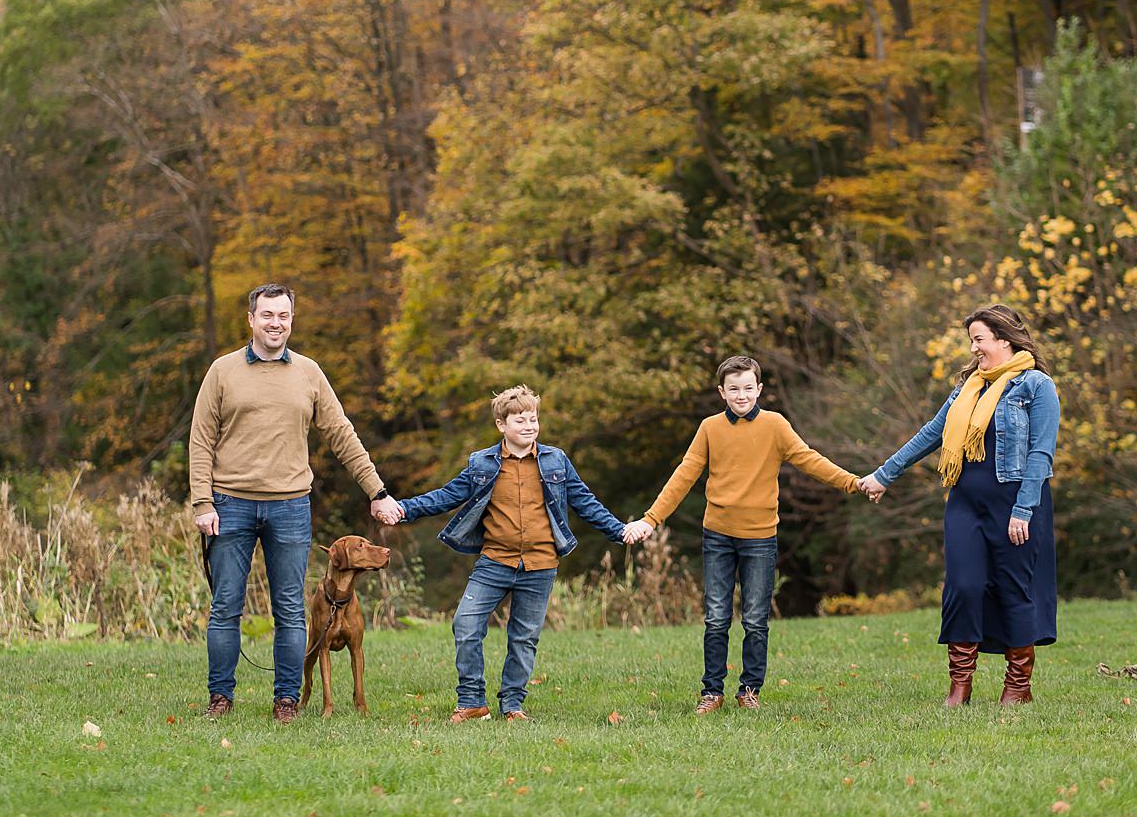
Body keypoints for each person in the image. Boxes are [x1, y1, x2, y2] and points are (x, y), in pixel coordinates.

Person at [189, 283, 397, 724]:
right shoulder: (222, 372)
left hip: (290, 507)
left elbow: (342, 434)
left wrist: (376, 491)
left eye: (283, 316)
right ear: (251, 319)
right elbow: (201, 440)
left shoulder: (308, 373)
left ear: (291, 319)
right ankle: (220, 698)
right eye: (267, 315)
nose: (275, 323)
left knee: (288, 607)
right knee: (226, 605)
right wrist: (203, 503)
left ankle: (286, 700)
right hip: (231, 504)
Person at [627, 355, 862, 713]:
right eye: (733, 389)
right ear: (722, 392)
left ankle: (749, 690)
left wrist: (851, 482)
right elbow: (684, 475)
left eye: (748, 388)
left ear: (759, 389)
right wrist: (651, 519)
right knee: (716, 617)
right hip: (718, 536)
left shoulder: (775, 426)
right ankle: (712, 692)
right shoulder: (710, 428)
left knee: (755, 619)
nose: (741, 395)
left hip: (760, 538)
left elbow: (809, 458)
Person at [379, 385, 628, 722]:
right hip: (494, 562)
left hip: (540, 564)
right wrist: (403, 509)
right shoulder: (482, 463)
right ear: (502, 425)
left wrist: (619, 530)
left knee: (524, 638)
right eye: (521, 420)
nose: (529, 426)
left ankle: (512, 705)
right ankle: (471, 702)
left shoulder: (556, 461)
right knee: (465, 625)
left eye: (534, 419)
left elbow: (585, 502)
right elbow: (445, 496)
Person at [859, 304, 1060, 706]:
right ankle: (960, 685)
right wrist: (885, 474)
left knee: (1014, 589)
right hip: (965, 502)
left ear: (1004, 339)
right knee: (963, 587)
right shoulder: (969, 388)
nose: (974, 349)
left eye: (979, 339)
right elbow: (932, 433)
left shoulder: (1037, 386)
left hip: (1016, 502)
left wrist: (1023, 509)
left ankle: (1018, 687)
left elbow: (1041, 453)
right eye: (972, 340)